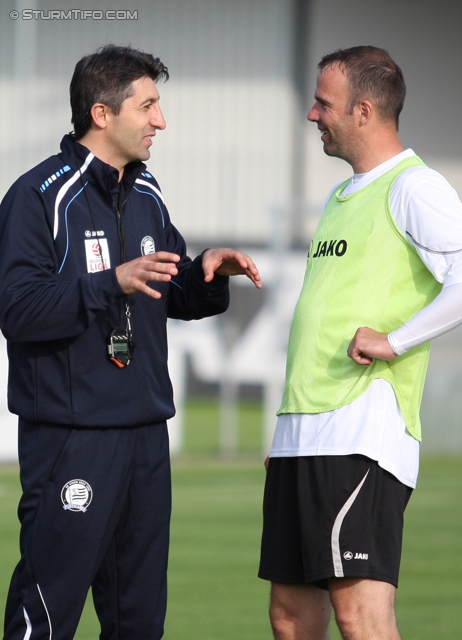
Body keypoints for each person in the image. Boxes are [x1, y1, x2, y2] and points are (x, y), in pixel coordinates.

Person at [0, 44, 261, 640]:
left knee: (139, 620)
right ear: (102, 114)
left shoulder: (147, 193)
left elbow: (169, 295)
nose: (160, 121)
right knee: (47, 612)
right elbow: (16, 309)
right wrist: (106, 283)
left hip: (145, 438)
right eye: (147, 106)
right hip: (73, 438)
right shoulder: (39, 197)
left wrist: (204, 275)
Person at [258, 45, 462, 640]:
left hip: (359, 433)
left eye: (324, 103)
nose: (312, 114)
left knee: (360, 615)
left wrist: (395, 341)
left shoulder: (415, 187)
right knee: (290, 618)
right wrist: (287, 429)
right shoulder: (342, 196)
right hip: (306, 430)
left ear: (364, 111)